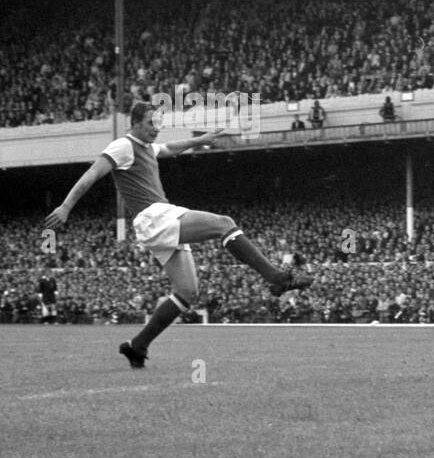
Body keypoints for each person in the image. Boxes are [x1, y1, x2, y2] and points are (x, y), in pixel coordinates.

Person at [42, 101, 314, 368]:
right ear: (134, 123)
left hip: (158, 219)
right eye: (151, 123)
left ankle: (137, 346)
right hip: (154, 216)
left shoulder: (146, 146)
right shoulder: (123, 145)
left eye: (159, 123)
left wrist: (200, 140)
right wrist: (66, 207)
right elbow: (92, 173)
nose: (156, 129)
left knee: (186, 292)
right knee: (223, 223)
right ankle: (276, 278)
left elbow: (170, 148)